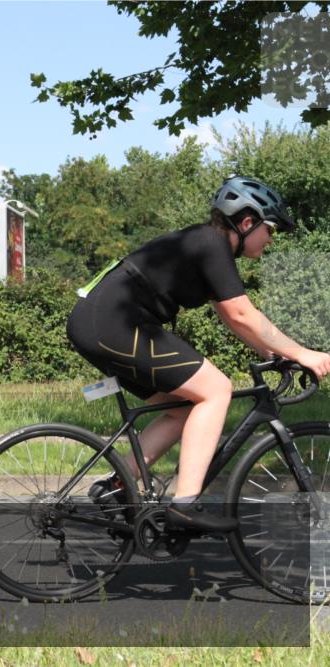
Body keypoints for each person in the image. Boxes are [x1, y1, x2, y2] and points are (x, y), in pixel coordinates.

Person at [66, 176, 330, 533]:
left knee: (182, 406)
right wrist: (304, 353)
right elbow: (242, 314)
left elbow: (233, 318)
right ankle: (184, 507)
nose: (272, 238)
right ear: (247, 222)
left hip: (103, 321)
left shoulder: (205, 244)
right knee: (216, 389)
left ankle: (117, 488)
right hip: (113, 322)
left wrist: (277, 353)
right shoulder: (210, 243)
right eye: (270, 229)